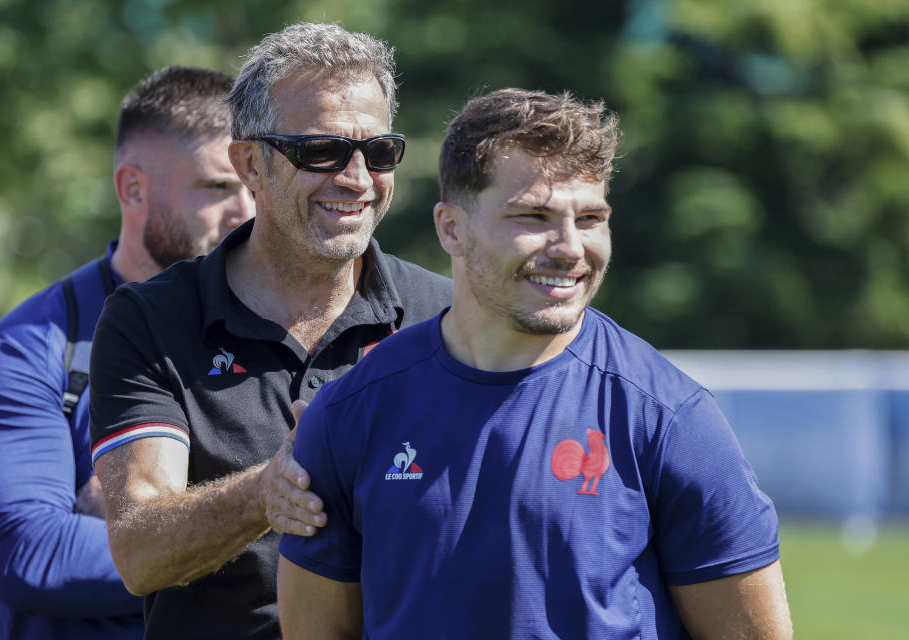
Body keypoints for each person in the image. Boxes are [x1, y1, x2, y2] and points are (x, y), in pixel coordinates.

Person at [277, 88, 794, 639]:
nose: (570, 247)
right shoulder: (349, 413)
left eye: (591, 217)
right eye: (534, 215)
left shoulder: (669, 418)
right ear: (451, 227)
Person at [86, 22, 452, 640]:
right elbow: (139, 552)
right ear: (248, 163)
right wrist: (266, 491)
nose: (357, 178)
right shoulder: (149, 319)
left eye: (379, 151)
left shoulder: (445, 317)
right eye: (321, 151)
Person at [0, 65, 253, 640]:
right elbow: (32, 554)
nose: (246, 212)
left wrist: (146, 519)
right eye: (217, 188)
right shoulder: (27, 349)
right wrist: (270, 522)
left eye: (255, 184)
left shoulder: (297, 326)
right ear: (133, 188)